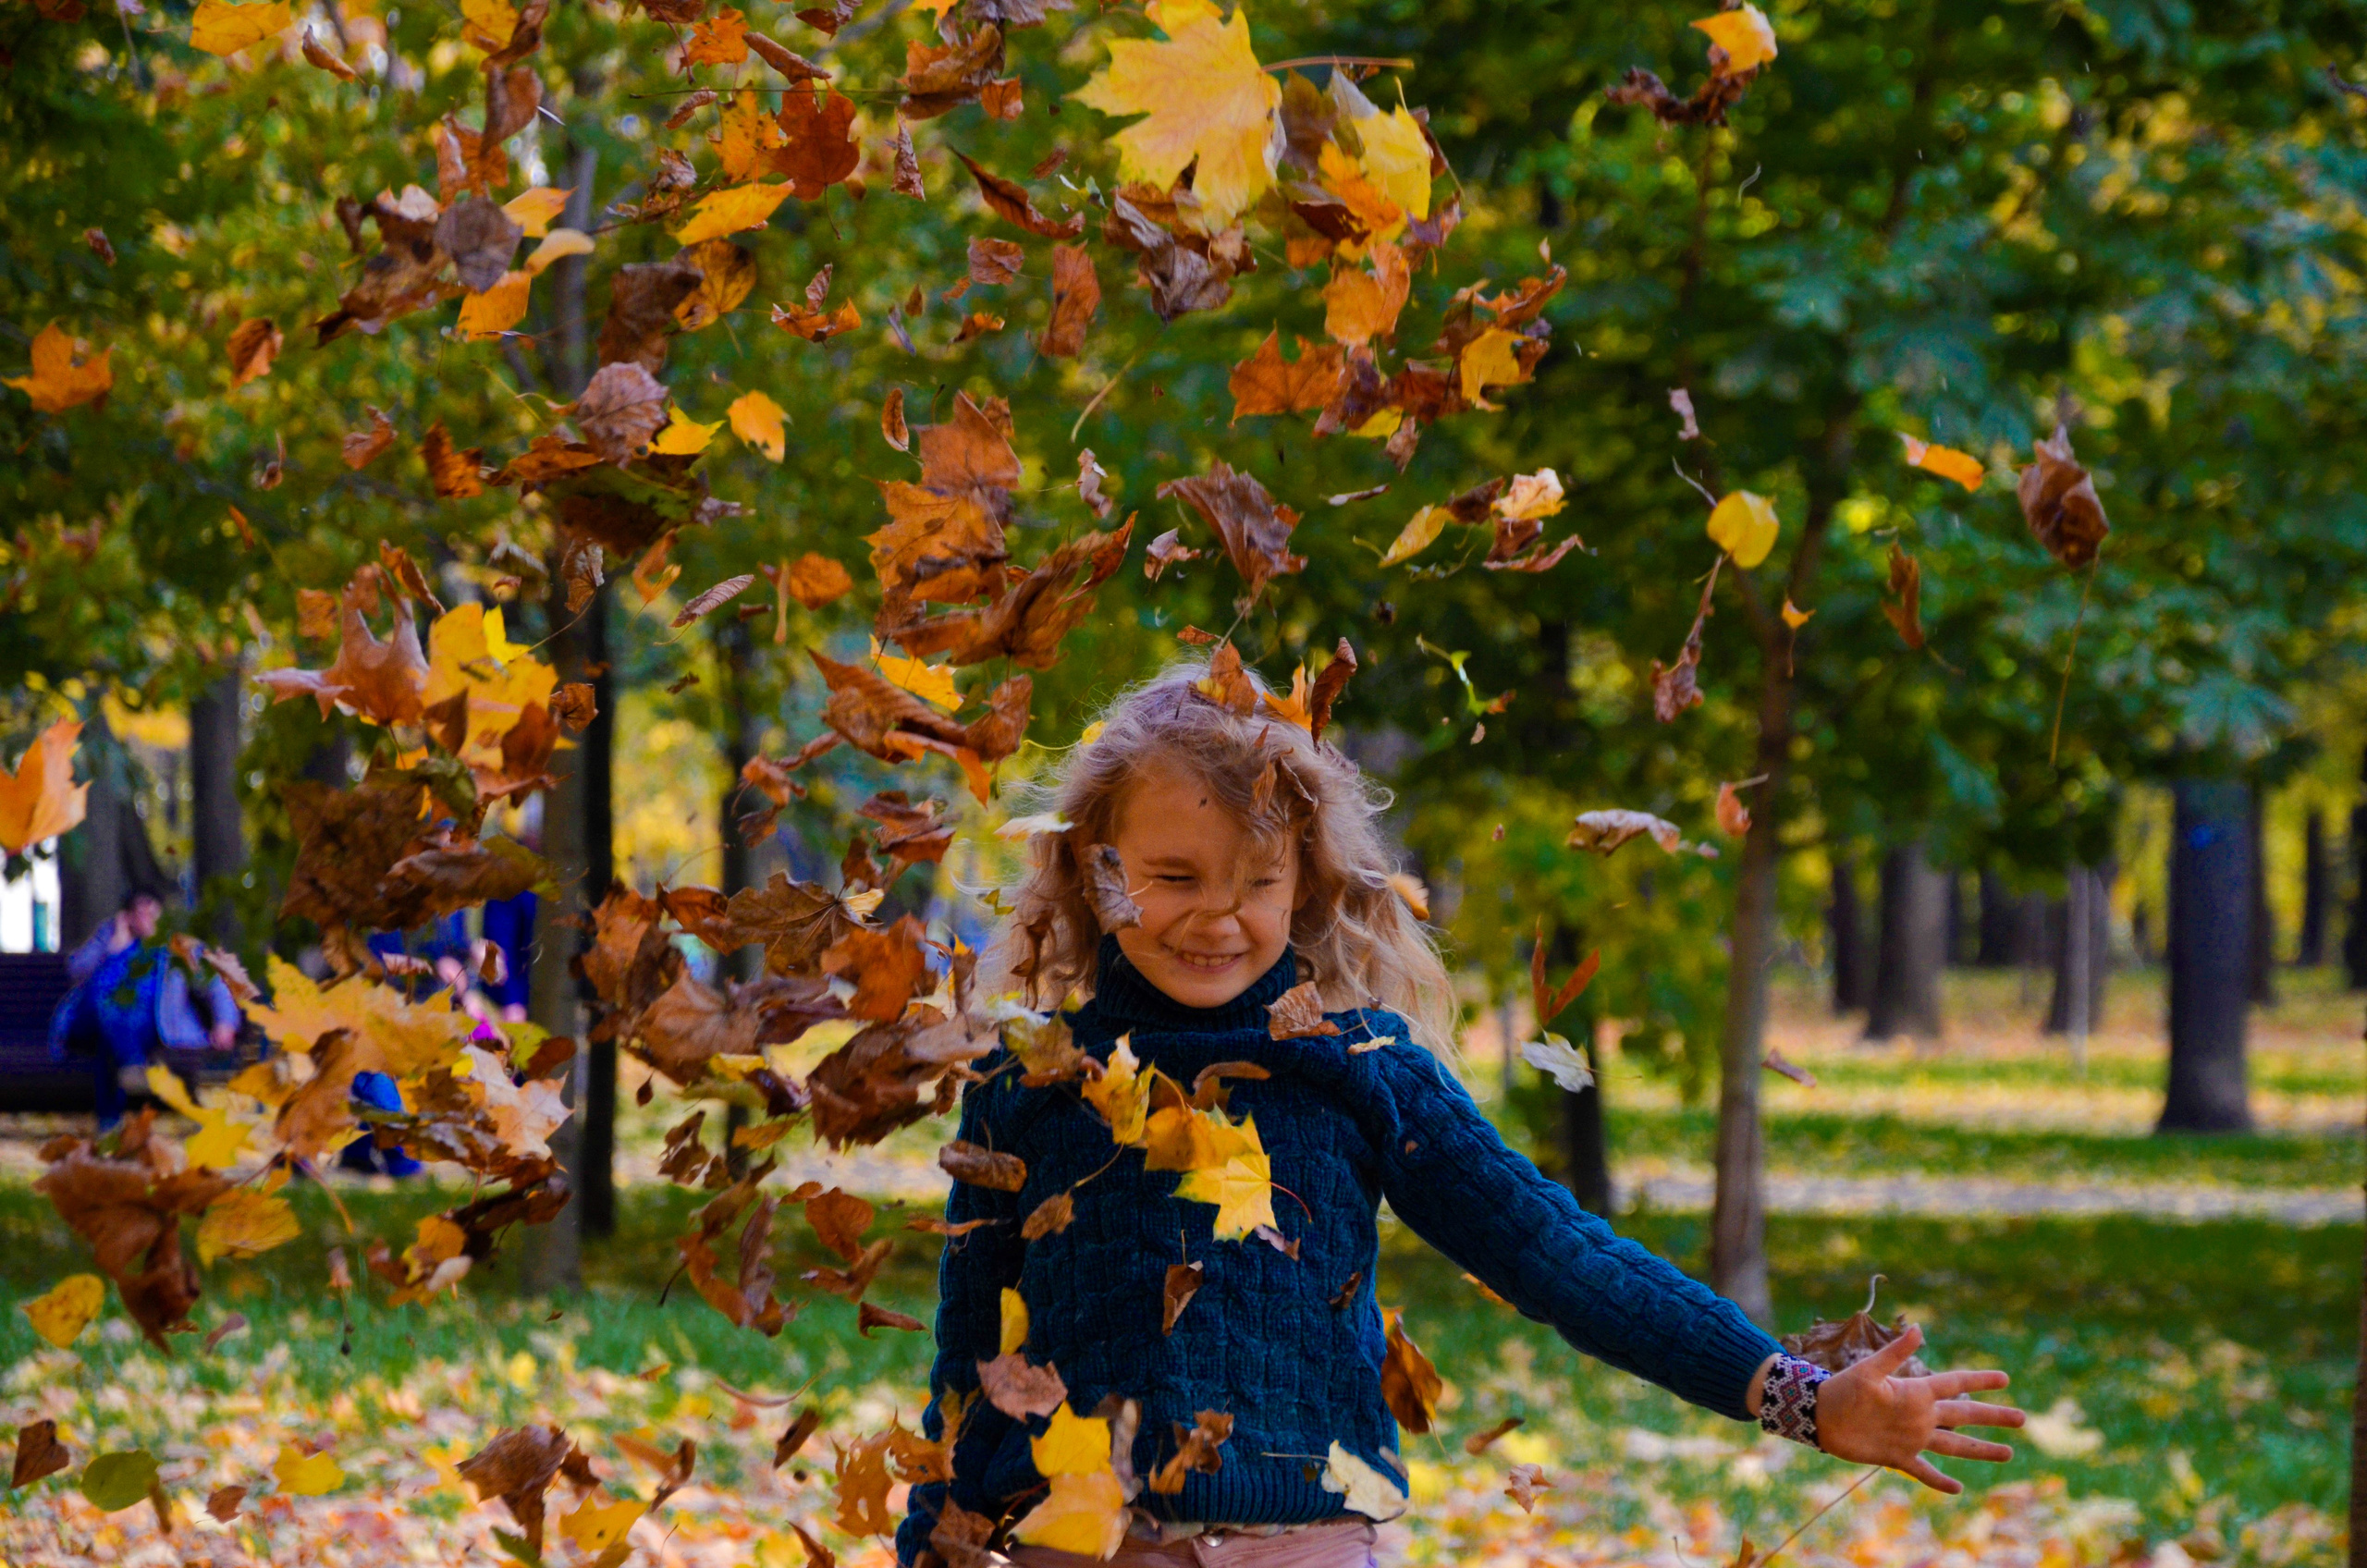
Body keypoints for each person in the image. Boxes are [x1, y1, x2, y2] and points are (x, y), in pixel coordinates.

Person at [897, 663, 2026, 1568]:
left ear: (1307, 883)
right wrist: (931, 1540)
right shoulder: (1027, 1082)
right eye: (1174, 876)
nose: (1218, 917)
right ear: (1099, 874)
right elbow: (967, 1355)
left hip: (1311, 1539)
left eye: (1255, 881)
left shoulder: (1363, 1071)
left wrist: (1796, 1395)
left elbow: (1555, 1253)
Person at [49, 889, 239, 1130]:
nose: (147, 918)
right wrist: (113, 948)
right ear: (127, 916)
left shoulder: (177, 944)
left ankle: (110, 1123)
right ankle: (133, 1066)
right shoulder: (109, 936)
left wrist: (225, 1023)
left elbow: (214, 984)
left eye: (152, 911)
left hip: (150, 1025)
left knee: (108, 1041)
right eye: (139, 912)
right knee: (106, 1007)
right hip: (88, 1020)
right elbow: (76, 970)